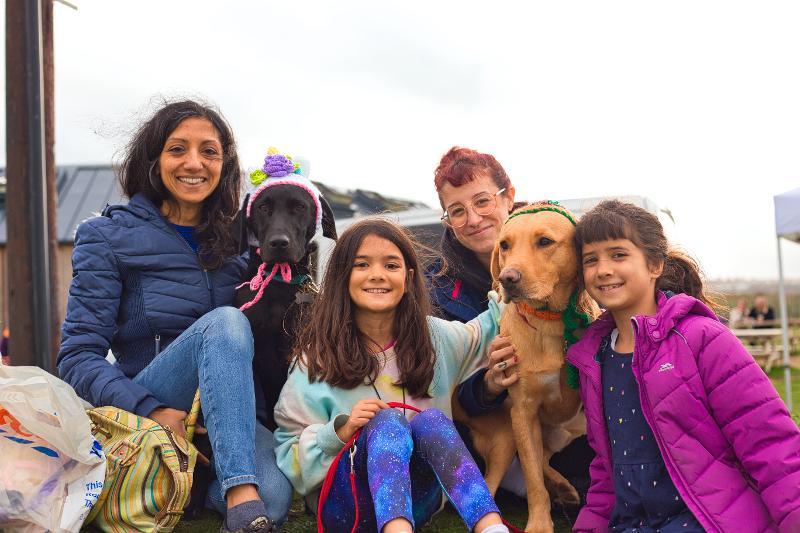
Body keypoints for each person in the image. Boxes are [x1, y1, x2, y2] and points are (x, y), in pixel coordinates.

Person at [57, 100, 292, 533]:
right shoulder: (106, 236)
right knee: (225, 322)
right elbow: (76, 358)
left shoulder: (240, 241)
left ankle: (199, 486)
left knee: (275, 499)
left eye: (210, 151)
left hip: (228, 411)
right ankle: (239, 496)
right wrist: (152, 407)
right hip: (149, 396)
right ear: (154, 159)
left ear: (225, 164)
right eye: (178, 149)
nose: (194, 163)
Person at [567, 199, 800, 532]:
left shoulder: (701, 338)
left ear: (654, 265)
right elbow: (607, 468)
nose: (603, 269)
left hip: (707, 522)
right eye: (591, 260)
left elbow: (769, 442)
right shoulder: (593, 358)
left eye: (618, 254)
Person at [274, 218, 510, 533]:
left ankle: (491, 528)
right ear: (342, 276)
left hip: (417, 500)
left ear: (409, 277)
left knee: (432, 420)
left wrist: (522, 250)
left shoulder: (435, 339)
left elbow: (494, 323)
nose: (377, 275)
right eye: (362, 265)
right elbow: (288, 450)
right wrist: (340, 432)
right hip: (347, 505)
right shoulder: (317, 357)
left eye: (391, 265)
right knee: (386, 423)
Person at [427, 146, 594, 499]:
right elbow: (438, 387)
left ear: (509, 196)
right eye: (457, 211)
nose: (473, 219)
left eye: (483, 201)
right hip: (480, 425)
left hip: (566, 429)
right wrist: (488, 385)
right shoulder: (435, 288)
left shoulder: (567, 251)